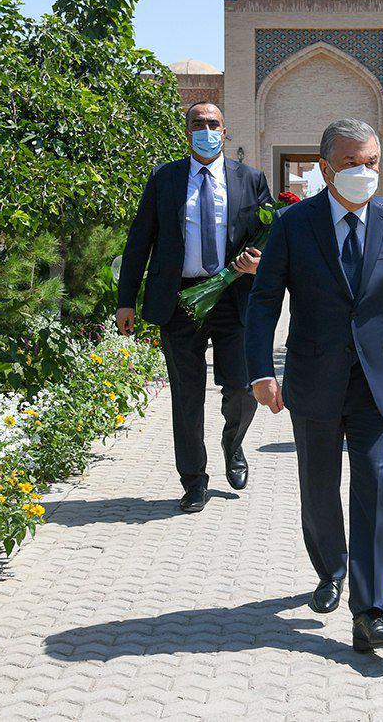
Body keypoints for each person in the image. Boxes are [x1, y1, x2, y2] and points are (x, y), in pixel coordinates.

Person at [246, 119, 383, 653]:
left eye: (373, 163)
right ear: (326, 166)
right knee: (318, 489)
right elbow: (265, 301)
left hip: (381, 382)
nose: (365, 173)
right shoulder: (294, 223)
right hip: (314, 380)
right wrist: (262, 371)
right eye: (354, 163)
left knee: (375, 489)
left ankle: (370, 610)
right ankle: (330, 568)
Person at [116, 102, 272, 514]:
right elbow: (139, 241)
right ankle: (194, 480)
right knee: (187, 395)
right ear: (187, 130)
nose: (206, 129)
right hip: (179, 300)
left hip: (232, 296)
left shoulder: (249, 179)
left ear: (226, 130)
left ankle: (232, 443)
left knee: (242, 387)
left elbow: (270, 233)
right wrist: (126, 300)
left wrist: (257, 261)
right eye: (198, 123)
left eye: (213, 123)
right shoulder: (165, 178)